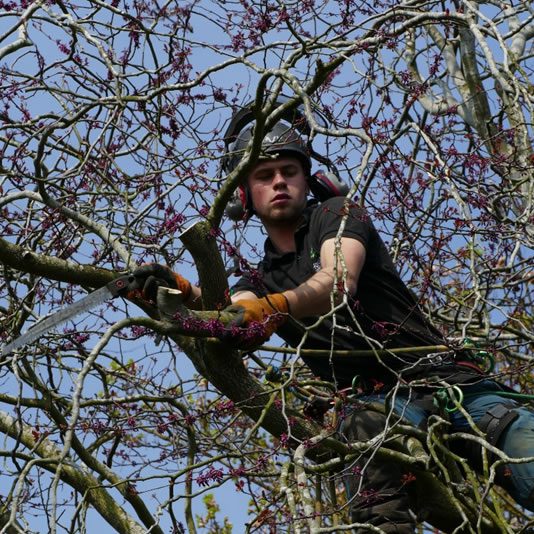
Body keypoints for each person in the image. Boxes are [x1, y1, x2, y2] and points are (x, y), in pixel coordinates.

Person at [132, 107, 534, 532]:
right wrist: (178, 290)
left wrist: (272, 309)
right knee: (371, 480)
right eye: (264, 175)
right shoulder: (258, 279)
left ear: (310, 180)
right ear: (242, 194)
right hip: (374, 404)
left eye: (289, 170)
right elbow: (234, 313)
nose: (279, 181)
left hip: (452, 381)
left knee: (518, 441)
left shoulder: (339, 214)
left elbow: (337, 280)